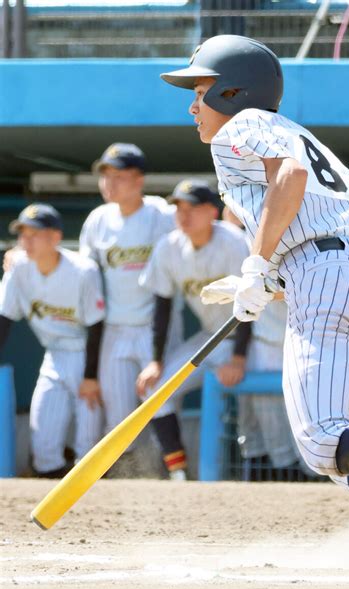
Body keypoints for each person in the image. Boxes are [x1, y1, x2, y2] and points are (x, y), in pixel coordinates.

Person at [160, 34, 349, 562]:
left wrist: (257, 264)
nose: (193, 104)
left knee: (323, 440)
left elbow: (291, 177)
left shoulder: (241, 125)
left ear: (233, 92)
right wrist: (263, 282)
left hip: (330, 277)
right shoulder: (308, 137)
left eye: (201, 89)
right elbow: (315, 223)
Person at [79, 143, 185, 479]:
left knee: (162, 403)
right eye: (105, 176)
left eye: (119, 176)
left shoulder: (161, 214)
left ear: (139, 179)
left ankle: (181, 481)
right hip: (115, 330)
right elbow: (82, 273)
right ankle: (126, 483)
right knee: (118, 415)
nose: (109, 183)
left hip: (157, 327)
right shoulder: (97, 220)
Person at [136, 179, 252, 479]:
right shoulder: (169, 247)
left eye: (192, 208)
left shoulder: (234, 241)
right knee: (154, 388)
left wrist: (239, 357)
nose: (183, 215)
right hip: (212, 338)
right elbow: (162, 308)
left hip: (253, 338)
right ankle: (179, 476)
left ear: (212, 211)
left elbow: (254, 302)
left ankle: (288, 477)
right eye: (178, 207)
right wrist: (156, 361)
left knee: (262, 418)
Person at [0, 204, 105, 477]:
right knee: (43, 443)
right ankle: (59, 507)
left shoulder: (83, 269)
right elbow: (4, 318)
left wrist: (91, 376)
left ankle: (101, 509)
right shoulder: (18, 268)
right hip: (54, 356)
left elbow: (96, 326)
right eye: (23, 234)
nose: (27, 241)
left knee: (88, 446)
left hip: (87, 355)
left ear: (55, 237)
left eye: (34, 234)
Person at [217, 207, 306, 482]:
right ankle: (277, 485)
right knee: (264, 427)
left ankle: (308, 483)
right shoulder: (243, 242)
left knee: (302, 426)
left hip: (301, 341)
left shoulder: (301, 237)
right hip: (265, 343)